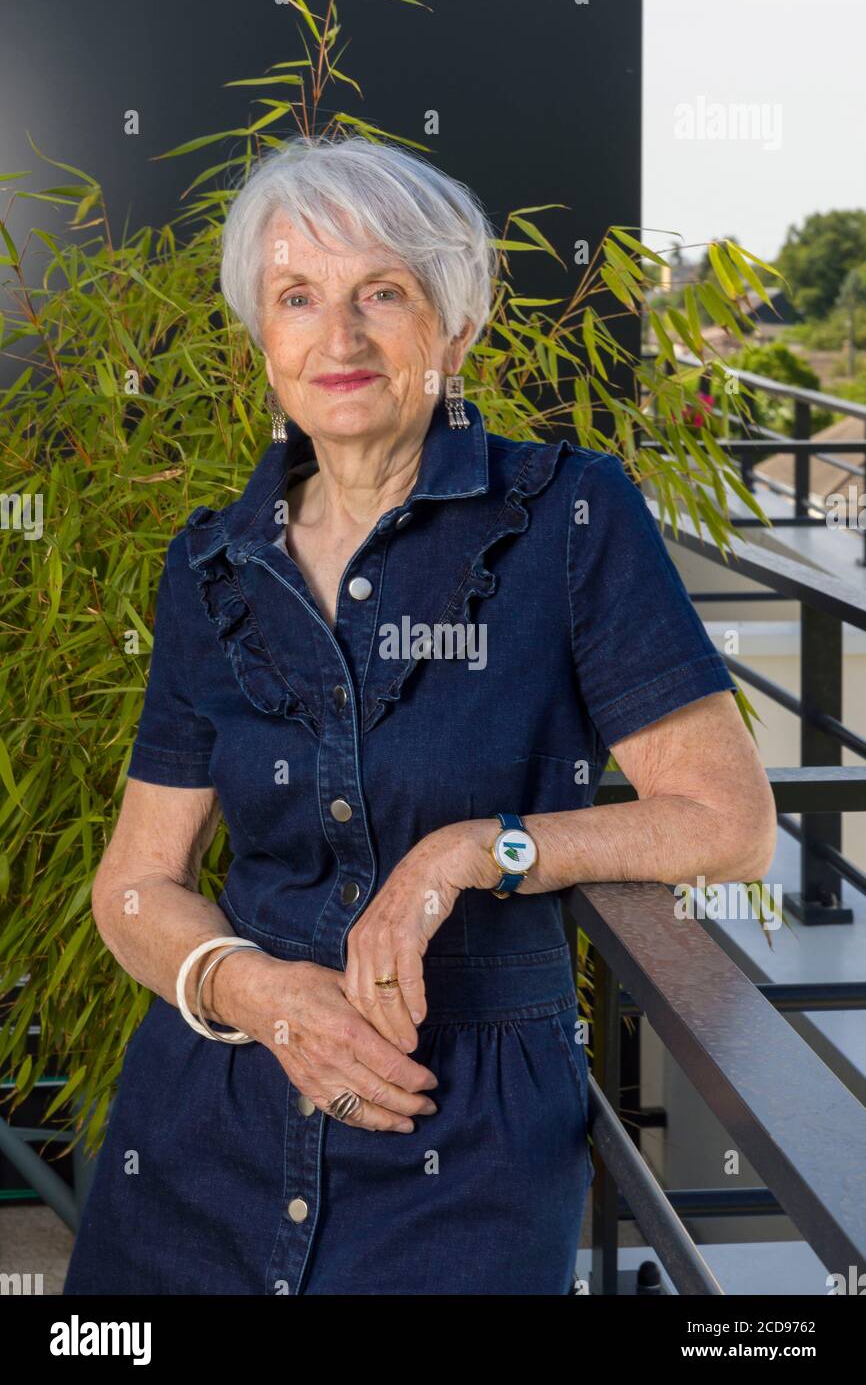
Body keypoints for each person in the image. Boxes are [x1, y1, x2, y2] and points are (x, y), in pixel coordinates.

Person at [64, 135, 776, 1296]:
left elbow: (728, 822)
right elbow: (134, 885)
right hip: (216, 1110)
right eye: (297, 297)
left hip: (463, 1124)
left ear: (453, 328)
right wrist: (252, 988)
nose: (336, 339)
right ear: (262, 339)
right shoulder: (210, 566)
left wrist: (466, 853)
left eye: (380, 294)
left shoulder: (569, 519)